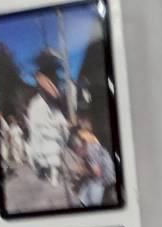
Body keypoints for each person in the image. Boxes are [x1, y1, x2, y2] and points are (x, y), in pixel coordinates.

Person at [25, 50, 70, 188]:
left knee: (53, 152)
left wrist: (62, 125)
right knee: (45, 151)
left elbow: (55, 95)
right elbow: (48, 89)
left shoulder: (53, 78)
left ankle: (53, 174)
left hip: (51, 122)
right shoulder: (40, 78)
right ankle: (46, 170)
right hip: (43, 120)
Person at [71, 123, 115, 207]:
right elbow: (88, 166)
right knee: (84, 191)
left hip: (105, 177)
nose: (77, 155)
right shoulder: (87, 146)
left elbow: (97, 173)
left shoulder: (91, 153)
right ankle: (83, 203)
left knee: (92, 191)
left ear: (80, 148)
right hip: (98, 172)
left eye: (76, 152)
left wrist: (83, 173)